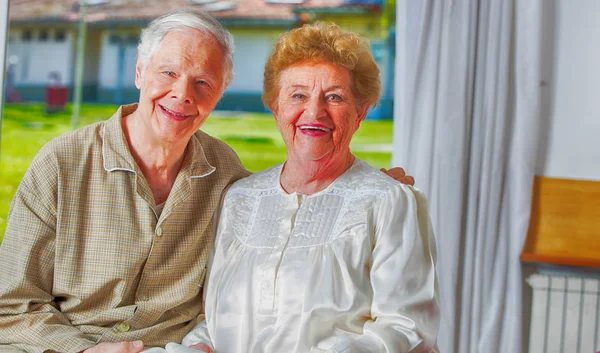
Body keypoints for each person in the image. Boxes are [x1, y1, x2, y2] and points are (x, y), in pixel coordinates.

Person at [0, 10, 412, 353]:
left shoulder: (225, 173)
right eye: (168, 72)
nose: (182, 94)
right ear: (140, 72)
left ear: (220, 92)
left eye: (203, 83)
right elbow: (11, 306)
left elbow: (288, 200)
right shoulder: (62, 163)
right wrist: (83, 349)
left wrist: (359, 188)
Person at [167, 22, 439, 353]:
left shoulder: (390, 202)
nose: (314, 111)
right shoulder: (239, 199)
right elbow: (217, 321)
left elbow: (406, 328)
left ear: (360, 111)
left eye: (334, 97)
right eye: (298, 95)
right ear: (275, 106)